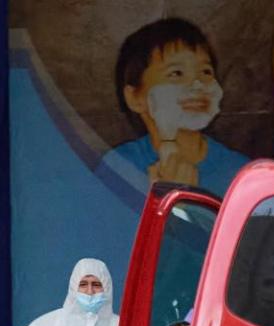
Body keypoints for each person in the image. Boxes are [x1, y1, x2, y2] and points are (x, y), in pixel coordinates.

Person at [98, 18, 248, 196]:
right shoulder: (119, 168)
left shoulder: (243, 176)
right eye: (176, 73)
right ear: (135, 98)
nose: (198, 84)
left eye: (206, 72)